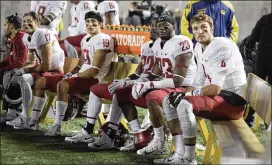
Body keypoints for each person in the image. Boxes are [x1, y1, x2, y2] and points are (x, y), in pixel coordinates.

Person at [156, 14, 247, 164]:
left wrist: (189, 94)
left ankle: (189, 159)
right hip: (219, 98)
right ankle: (178, 153)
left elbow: (215, 89)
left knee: (184, 104)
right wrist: (181, 93)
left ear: (212, 28)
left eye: (204, 28)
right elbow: (199, 81)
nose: (200, 32)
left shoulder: (222, 46)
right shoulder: (199, 46)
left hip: (232, 101)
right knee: (168, 99)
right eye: (196, 29)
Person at [64, 18, 159, 150]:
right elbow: (138, 73)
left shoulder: (165, 48)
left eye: (158, 27)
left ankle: (117, 134)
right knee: (111, 89)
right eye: (152, 26)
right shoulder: (146, 45)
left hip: (155, 86)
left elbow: (155, 75)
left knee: (120, 92)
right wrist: (124, 80)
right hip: (140, 83)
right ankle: (133, 135)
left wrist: (128, 82)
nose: (153, 29)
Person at [119, 14, 197, 156]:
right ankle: (147, 135)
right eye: (159, 26)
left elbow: (178, 80)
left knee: (153, 96)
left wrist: (149, 85)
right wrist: (136, 82)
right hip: (168, 84)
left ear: (174, 26)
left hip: (184, 86)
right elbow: (155, 72)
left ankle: (159, 140)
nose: (161, 28)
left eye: (165, 25)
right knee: (131, 92)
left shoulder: (182, 42)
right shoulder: (157, 44)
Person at [44, 11, 114, 136]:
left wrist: (75, 76)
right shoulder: (86, 38)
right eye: (87, 22)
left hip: (94, 79)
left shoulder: (103, 39)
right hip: (83, 76)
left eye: (93, 22)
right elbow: (81, 62)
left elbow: (94, 70)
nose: (90, 25)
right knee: (45, 81)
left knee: (62, 85)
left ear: (100, 24)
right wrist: (71, 73)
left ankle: (57, 125)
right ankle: (34, 119)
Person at [6, 11, 65, 130]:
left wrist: (24, 71)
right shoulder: (27, 37)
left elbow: (47, 66)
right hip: (43, 71)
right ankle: (25, 117)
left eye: (29, 21)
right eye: (24, 21)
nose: (26, 24)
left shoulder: (41, 33)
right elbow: (31, 61)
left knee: (27, 78)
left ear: (37, 22)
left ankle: (31, 119)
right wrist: (18, 69)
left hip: (55, 72)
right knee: (22, 78)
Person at [243, 13, 272, 127]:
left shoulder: (266, 19)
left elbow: (253, 38)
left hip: (262, 58)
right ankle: (268, 122)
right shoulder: (265, 19)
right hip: (263, 58)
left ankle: (248, 118)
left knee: (255, 89)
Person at [0, 13, 28, 121]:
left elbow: (21, 62)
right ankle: (8, 110)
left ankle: (13, 112)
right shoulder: (15, 39)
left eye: (5, 25)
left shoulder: (20, 40)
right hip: (16, 69)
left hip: (24, 71)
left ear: (11, 26)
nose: (4, 28)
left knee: (6, 75)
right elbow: (10, 59)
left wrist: (3, 69)